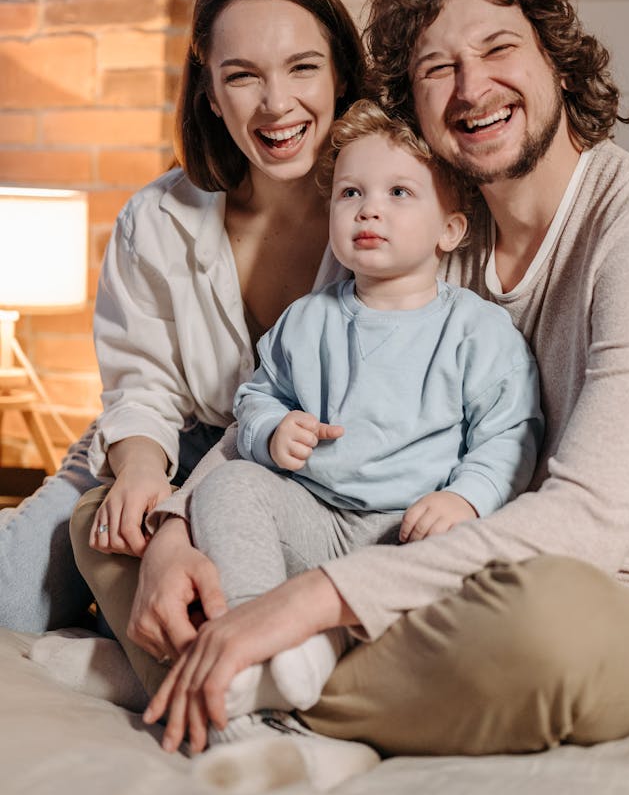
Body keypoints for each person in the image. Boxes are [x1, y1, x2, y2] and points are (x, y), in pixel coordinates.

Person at [84, 0, 629, 764]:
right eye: (438, 68)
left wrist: (311, 599)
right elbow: (292, 394)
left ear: (557, 60)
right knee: (110, 530)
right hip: (458, 562)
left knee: (543, 626)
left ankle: (226, 669)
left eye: (499, 48)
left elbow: (586, 524)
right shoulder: (435, 230)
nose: (472, 87)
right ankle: (247, 655)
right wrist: (176, 532)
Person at [147, 100, 541, 740]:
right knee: (228, 485)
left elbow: (510, 434)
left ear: (450, 229)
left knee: (472, 569)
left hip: (407, 533)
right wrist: (272, 431)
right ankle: (253, 633)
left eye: (399, 193)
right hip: (317, 518)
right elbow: (257, 395)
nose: (370, 208)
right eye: (351, 192)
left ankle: (321, 648)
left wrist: (464, 499)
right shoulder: (309, 319)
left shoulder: (475, 330)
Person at [1, 0, 365, 640]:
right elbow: (143, 384)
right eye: (242, 76)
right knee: (14, 605)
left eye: (302, 67)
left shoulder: (386, 211)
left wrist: (183, 520)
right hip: (162, 436)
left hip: (286, 466)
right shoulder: (157, 217)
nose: (277, 103)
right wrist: (141, 471)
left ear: (341, 73)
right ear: (209, 94)